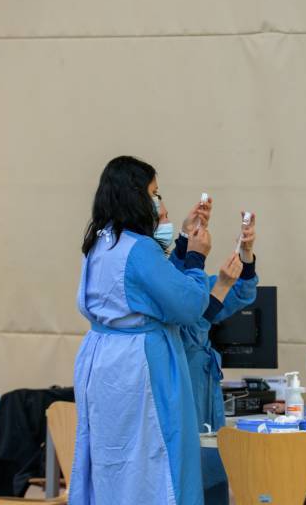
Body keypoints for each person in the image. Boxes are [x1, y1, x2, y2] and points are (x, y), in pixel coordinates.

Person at [70, 156, 211, 505]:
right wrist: (196, 258)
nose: (158, 202)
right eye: (154, 193)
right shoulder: (139, 249)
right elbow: (186, 304)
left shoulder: (100, 242)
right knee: (156, 458)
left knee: (112, 464)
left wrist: (181, 241)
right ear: (135, 195)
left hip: (103, 364)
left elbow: (152, 288)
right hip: (141, 367)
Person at [169, 210, 258, 505]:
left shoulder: (191, 282)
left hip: (205, 388)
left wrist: (245, 254)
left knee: (211, 471)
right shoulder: (166, 285)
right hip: (185, 386)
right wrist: (219, 285)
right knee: (187, 475)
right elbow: (192, 324)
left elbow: (242, 294)